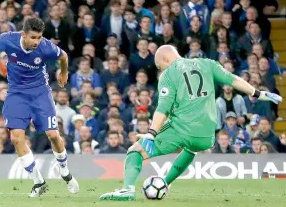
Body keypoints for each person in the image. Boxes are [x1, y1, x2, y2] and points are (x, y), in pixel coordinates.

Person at [99, 45, 282, 201]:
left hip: (183, 128)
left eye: (160, 66)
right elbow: (232, 79)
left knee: (134, 152)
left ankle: (127, 189)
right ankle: (166, 182)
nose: (161, 70)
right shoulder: (207, 63)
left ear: (165, 59)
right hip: (208, 135)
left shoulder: (168, 75)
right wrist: (258, 93)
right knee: (191, 148)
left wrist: (152, 133)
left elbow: (162, 108)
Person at [0, 17, 79, 197]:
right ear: (23, 34)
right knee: (17, 138)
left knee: (53, 135)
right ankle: (38, 181)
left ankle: (65, 170)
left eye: (39, 37)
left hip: (40, 93)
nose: (37, 42)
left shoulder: (45, 46)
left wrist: (63, 72)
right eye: (33, 37)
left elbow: (63, 56)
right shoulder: (8, 39)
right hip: (17, 94)